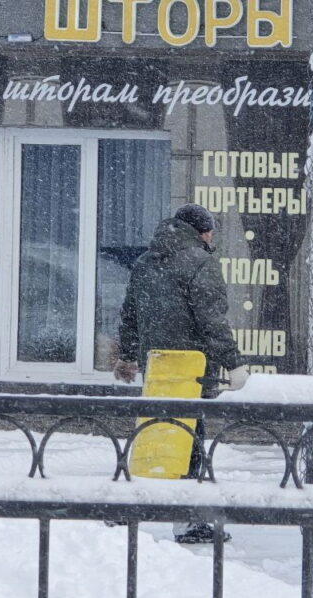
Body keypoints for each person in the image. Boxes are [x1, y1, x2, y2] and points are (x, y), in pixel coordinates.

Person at [115, 204, 248, 543]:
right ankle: (187, 520)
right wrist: (233, 361)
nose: (212, 237)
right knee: (190, 439)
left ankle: (126, 510)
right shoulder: (200, 262)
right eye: (211, 231)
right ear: (202, 232)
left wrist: (128, 356)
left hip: (156, 363)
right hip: (191, 365)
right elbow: (211, 320)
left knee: (152, 433)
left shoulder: (145, 262)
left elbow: (129, 313)